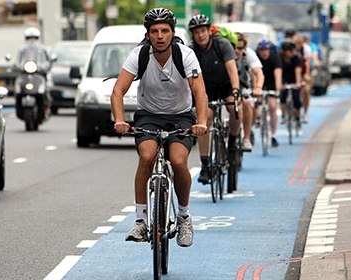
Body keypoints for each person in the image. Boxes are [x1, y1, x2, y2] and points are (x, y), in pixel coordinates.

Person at [111, 8, 208, 247]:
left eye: (165, 30)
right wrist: (120, 120)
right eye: (154, 31)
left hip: (180, 116)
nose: (160, 36)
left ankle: (184, 216)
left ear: (173, 33)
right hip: (149, 116)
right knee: (147, 156)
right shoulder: (139, 55)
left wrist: (201, 122)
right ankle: (141, 220)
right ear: (148, 35)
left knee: (177, 161)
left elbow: (199, 92)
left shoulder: (185, 55)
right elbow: (118, 91)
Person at [187, 14, 241, 184]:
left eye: (203, 31)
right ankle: (205, 165)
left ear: (209, 31)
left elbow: (232, 70)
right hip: (205, 91)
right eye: (196, 33)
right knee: (204, 119)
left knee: (234, 108)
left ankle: (232, 143)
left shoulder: (222, 45)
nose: (200, 35)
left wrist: (235, 91)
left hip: (225, 85)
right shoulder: (191, 51)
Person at [234, 32, 264, 152]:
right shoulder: (224, 52)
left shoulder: (249, 54)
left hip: (243, 85)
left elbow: (258, 72)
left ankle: (246, 138)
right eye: (234, 47)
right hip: (227, 85)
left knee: (246, 103)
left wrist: (258, 87)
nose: (237, 51)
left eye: (240, 48)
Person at [256, 38, 283, 147]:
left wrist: (277, 90)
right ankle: (259, 120)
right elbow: (253, 74)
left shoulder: (275, 58)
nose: (264, 52)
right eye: (261, 50)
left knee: (272, 106)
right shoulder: (256, 59)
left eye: (266, 49)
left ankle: (274, 134)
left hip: (271, 83)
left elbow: (278, 75)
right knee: (256, 105)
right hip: (259, 84)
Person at [279, 39, 303, 130]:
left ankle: (298, 117)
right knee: (283, 95)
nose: (293, 52)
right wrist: (280, 83)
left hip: (294, 79)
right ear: (285, 51)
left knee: (296, 98)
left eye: (293, 50)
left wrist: (297, 83)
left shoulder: (297, 58)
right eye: (290, 50)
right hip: (284, 79)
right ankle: (283, 114)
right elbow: (278, 71)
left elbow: (298, 71)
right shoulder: (279, 58)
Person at [293, 34, 312, 124]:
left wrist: (306, 75)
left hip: (303, 70)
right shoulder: (290, 50)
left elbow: (307, 63)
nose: (297, 46)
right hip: (292, 71)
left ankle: (305, 113)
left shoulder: (306, 49)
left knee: (305, 90)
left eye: (299, 44)